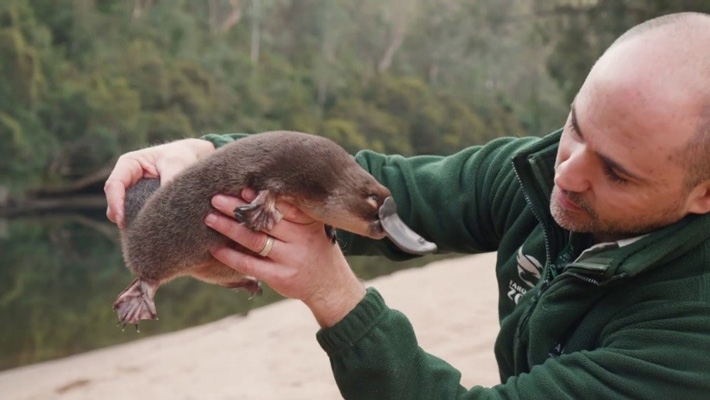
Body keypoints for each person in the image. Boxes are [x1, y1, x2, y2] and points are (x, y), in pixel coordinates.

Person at [105, 12, 710, 399]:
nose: (567, 174)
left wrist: (337, 296)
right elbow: (387, 186)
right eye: (577, 127)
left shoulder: (689, 344)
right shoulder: (544, 169)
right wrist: (208, 153)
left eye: (616, 173)